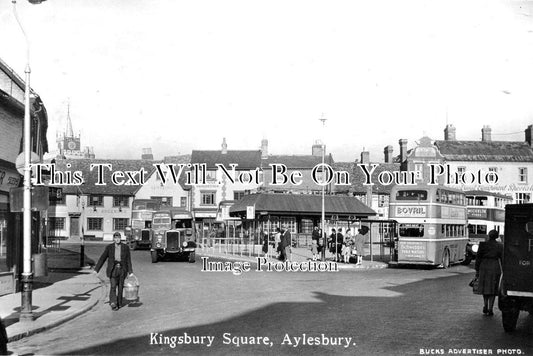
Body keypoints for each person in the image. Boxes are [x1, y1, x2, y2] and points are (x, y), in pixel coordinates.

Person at [93, 232, 133, 311]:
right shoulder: (109, 247)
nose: (117, 239)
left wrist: (130, 271)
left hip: (122, 269)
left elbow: (128, 260)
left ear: (120, 238)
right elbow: (102, 258)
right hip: (113, 269)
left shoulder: (125, 247)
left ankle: (119, 303)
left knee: (120, 287)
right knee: (113, 286)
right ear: (114, 239)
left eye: (118, 238)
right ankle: (113, 303)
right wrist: (96, 269)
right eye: (116, 238)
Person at [475, 229, 503, 316]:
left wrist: (477, 270)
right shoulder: (500, 246)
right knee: (493, 288)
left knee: (485, 287)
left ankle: (485, 305)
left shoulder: (483, 245)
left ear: (488, 235)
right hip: (494, 266)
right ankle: (490, 308)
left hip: (484, 266)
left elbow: (478, 257)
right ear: (497, 236)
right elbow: (502, 259)